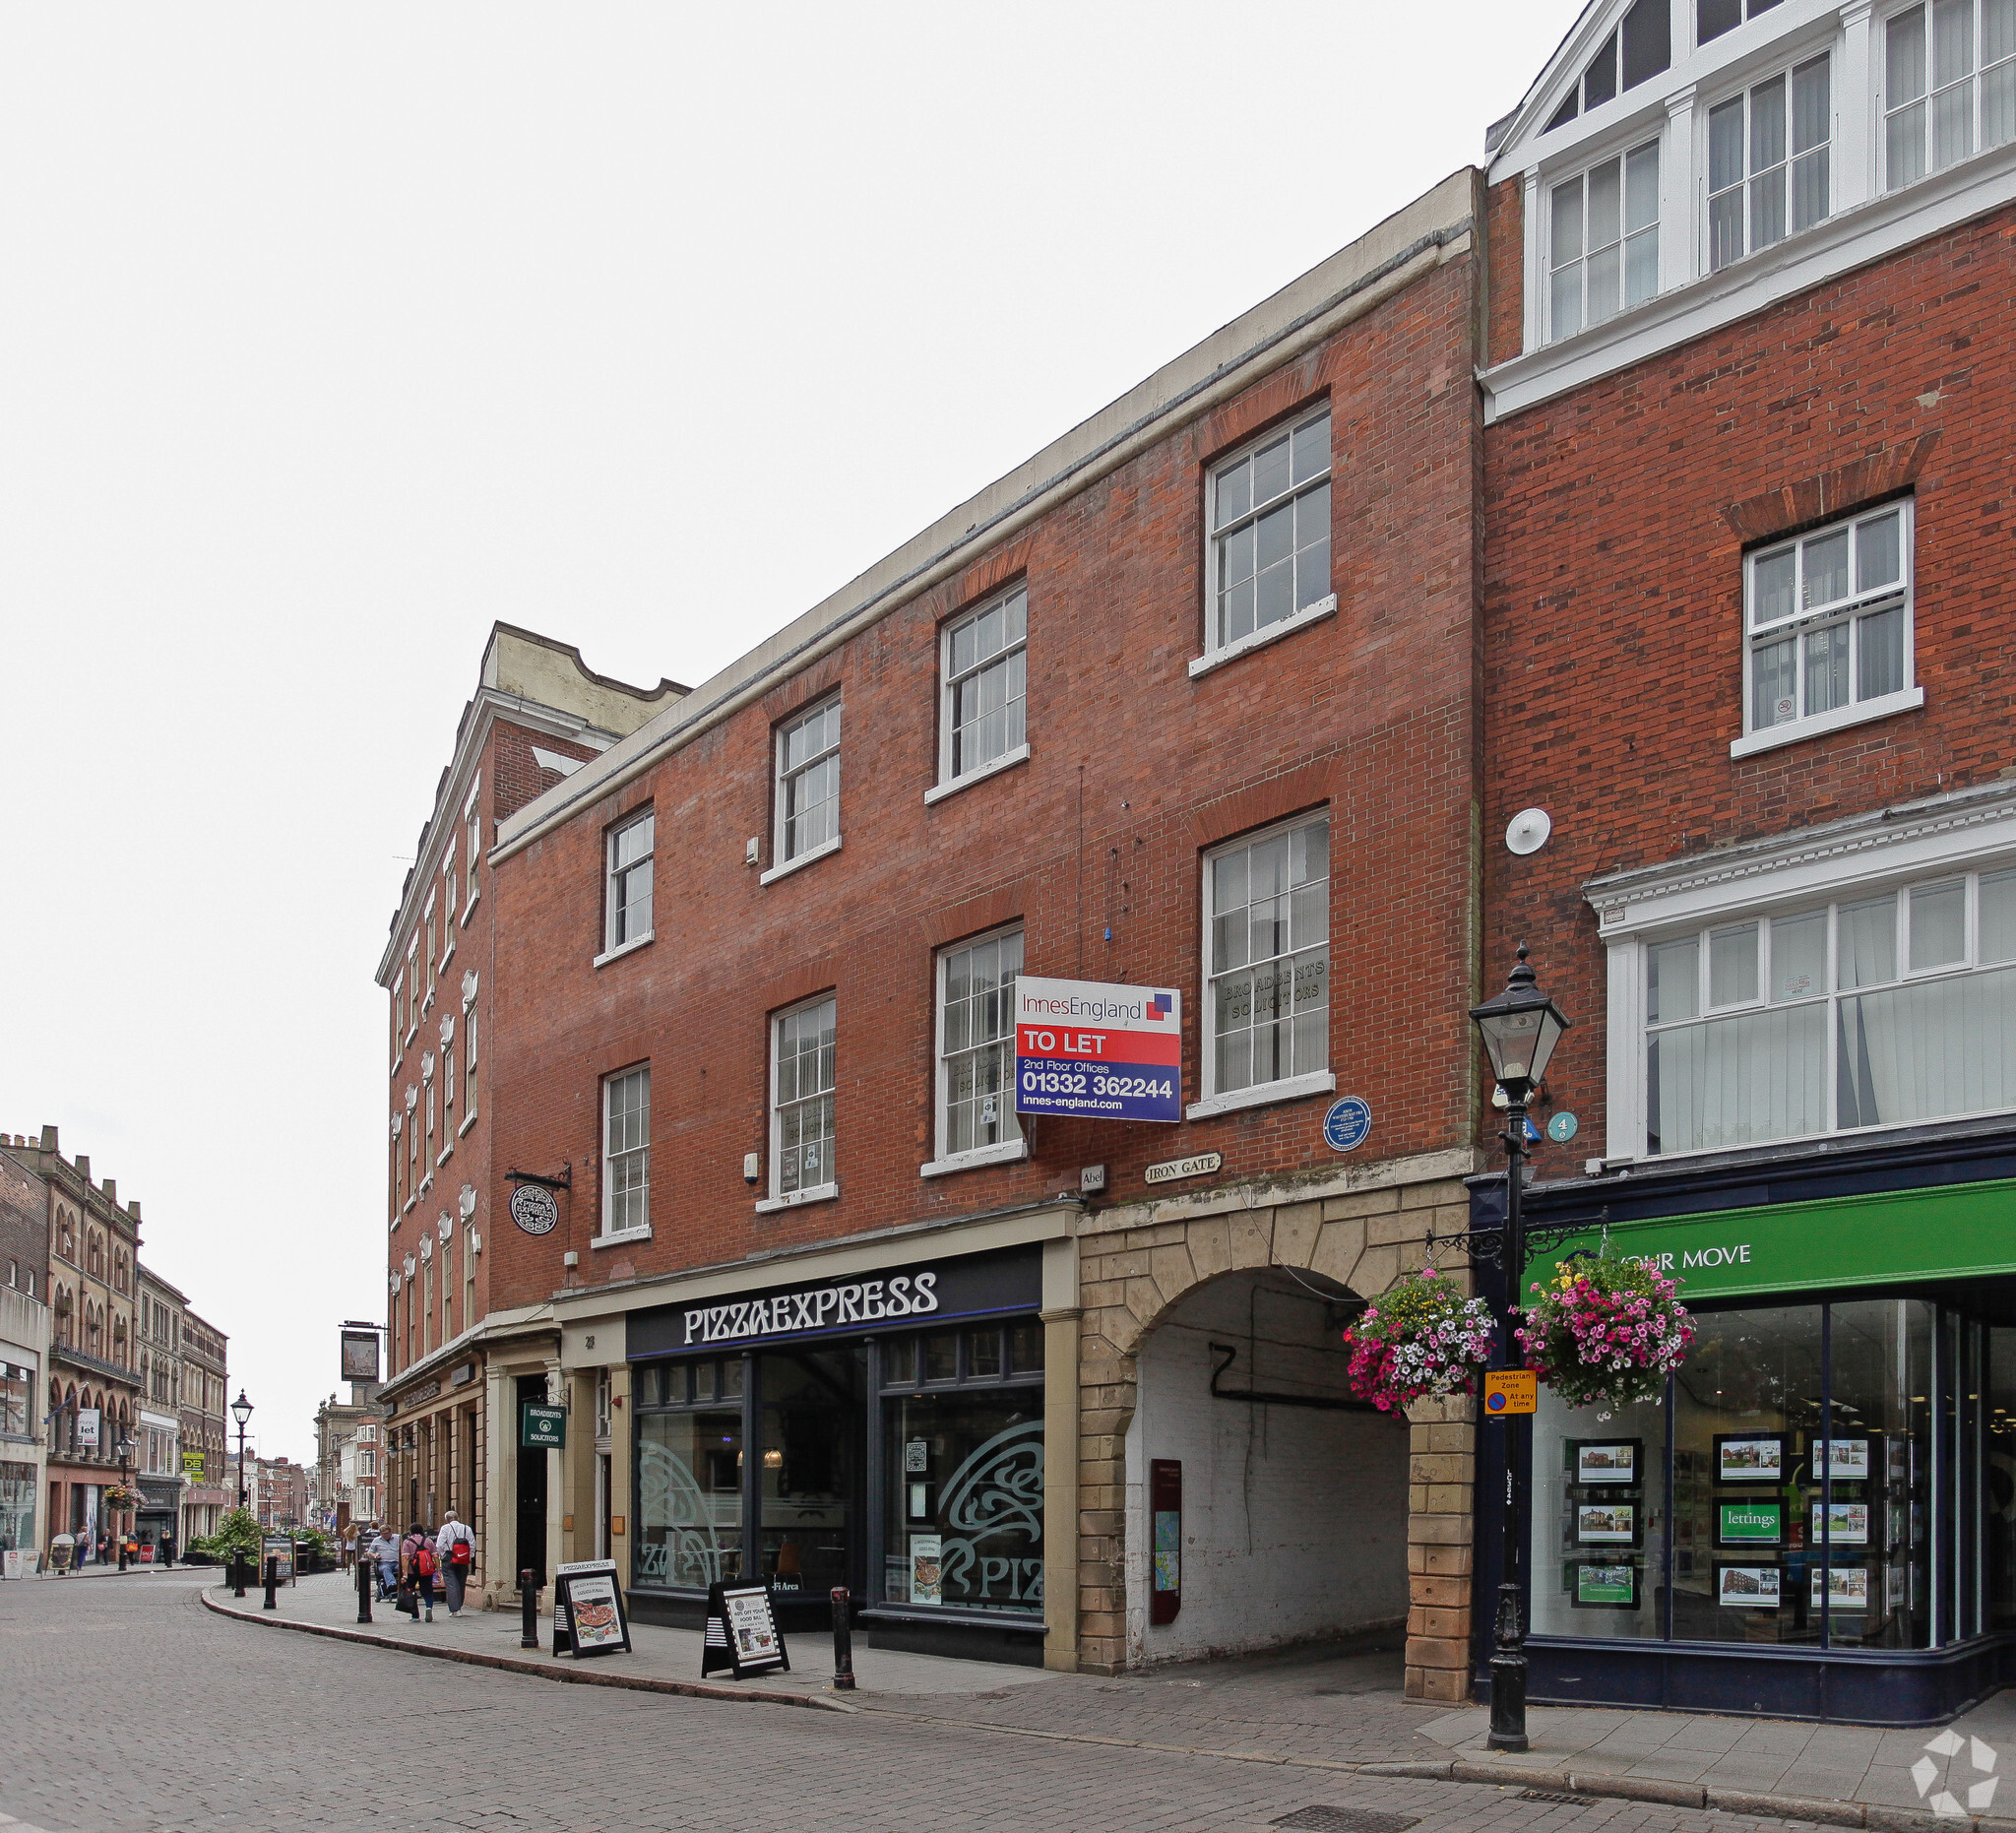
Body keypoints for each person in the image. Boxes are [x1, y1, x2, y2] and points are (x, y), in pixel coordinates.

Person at [433, 1510, 474, 1617]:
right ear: (458, 1518)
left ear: (447, 1520)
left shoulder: (445, 1528)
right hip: (463, 1558)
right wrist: (469, 1556)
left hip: (449, 1557)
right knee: (461, 1582)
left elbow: (440, 1544)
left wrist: (442, 1556)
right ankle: (459, 1605)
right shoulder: (467, 1528)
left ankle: (455, 1609)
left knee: (451, 1583)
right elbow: (472, 1544)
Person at [400, 1521, 436, 1623]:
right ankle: (429, 1607)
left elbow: (405, 1558)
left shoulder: (407, 1542)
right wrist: (437, 1570)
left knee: (411, 1591)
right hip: (426, 1570)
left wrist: (405, 1574)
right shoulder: (428, 1541)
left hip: (412, 1570)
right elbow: (435, 1556)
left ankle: (415, 1615)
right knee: (427, 1590)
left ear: (410, 1531)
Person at [369, 1525, 399, 1601]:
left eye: (387, 1533)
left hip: (397, 1562)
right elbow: (370, 1553)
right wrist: (375, 1555)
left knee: (404, 1568)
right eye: (383, 1534)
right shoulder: (376, 1540)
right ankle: (392, 1585)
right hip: (384, 1562)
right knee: (386, 1568)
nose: (385, 1535)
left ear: (390, 1532)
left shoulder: (398, 1538)